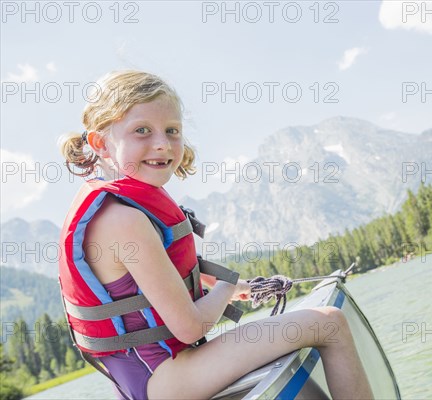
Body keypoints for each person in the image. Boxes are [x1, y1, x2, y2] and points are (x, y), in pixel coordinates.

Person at [58, 70, 373, 400]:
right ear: (100, 143)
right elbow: (191, 327)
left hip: (150, 379)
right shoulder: (124, 221)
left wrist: (230, 287)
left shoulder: (122, 210)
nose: (162, 143)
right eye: (142, 131)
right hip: (165, 379)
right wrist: (225, 286)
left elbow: (156, 285)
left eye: (172, 130)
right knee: (329, 323)